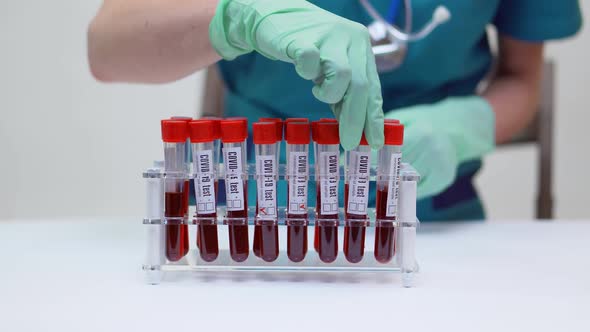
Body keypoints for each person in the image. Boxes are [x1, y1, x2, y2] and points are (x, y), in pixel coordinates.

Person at [88, 0, 582, 221]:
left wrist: (459, 129)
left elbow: (523, 79)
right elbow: (107, 47)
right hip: (250, 214)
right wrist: (233, 17)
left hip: (428, 215)